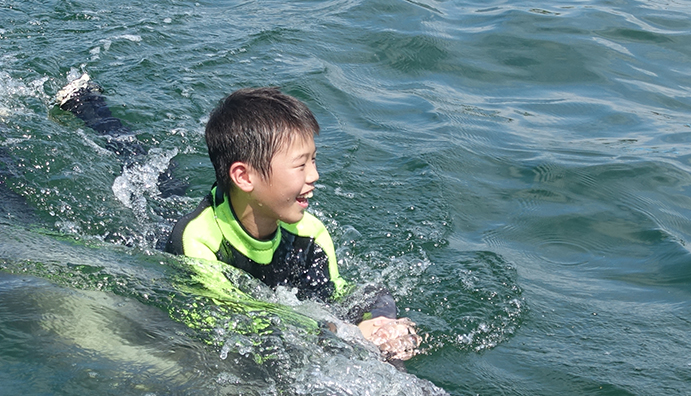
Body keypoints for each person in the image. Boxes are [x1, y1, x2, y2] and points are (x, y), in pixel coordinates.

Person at [56, 77, 419, 361]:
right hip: (152, 239)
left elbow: (349, 296)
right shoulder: (196, 243)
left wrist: (377, 320)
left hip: (228, 205)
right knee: (148, 179)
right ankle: (89, 107)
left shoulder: (311, 234)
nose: (315, 176)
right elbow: (229, 322)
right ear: (245, 177)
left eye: (314, 160)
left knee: (166, 182)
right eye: (301, 164)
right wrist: (333, 332)